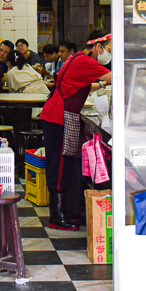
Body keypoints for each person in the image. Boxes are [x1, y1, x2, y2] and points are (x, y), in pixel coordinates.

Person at [38, 29, 113, 230]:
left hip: (57, 114)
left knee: (63, 164)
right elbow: (115, 78)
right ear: (98, 47)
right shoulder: (86, 62)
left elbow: (85, 85)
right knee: (60, 165)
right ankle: (57, 216)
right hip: (59, 116)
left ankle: (67, 212)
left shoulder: (77, 59)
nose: (108, 54)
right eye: (108, 49)